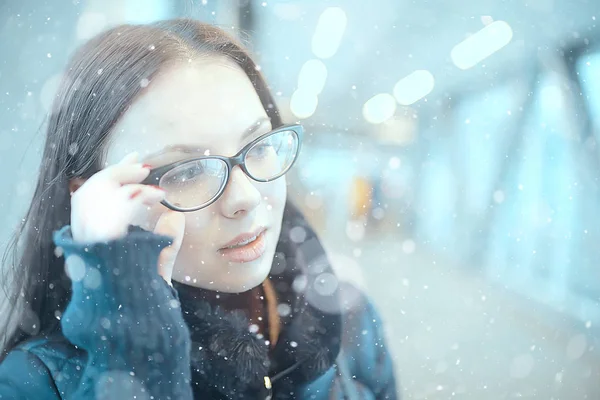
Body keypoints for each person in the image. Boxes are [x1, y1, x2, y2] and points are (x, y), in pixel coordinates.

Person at [0, 19, 397, 399]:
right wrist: (134, 346)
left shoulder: (349, 318)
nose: (245, 197)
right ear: (93, 200)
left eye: (258, 145)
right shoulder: (37, 382)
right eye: (188, 171)